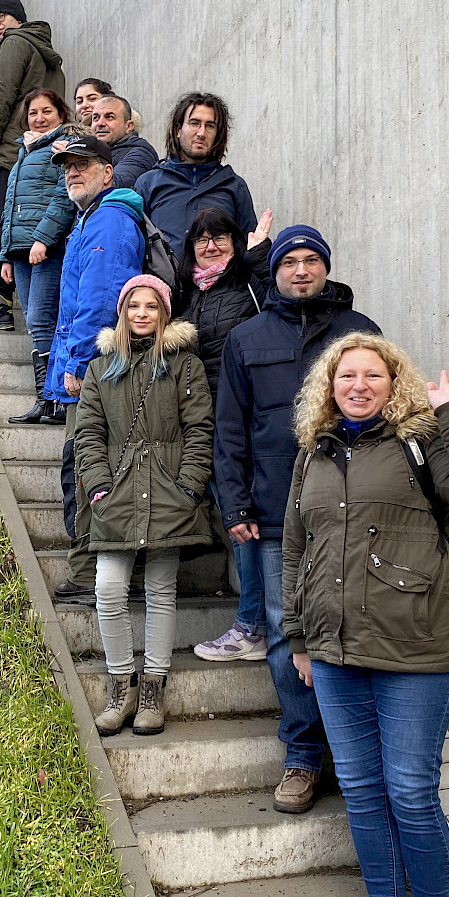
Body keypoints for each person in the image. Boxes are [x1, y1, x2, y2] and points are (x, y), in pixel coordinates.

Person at [284, 336, 449, 897]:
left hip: (419, 650)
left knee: (410, 791)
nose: (357, 384)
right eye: (345, 375)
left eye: (371, 374)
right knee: (359, 789)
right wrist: (299, 637)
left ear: (393, 382)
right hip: (335, 654)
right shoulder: (313, 454)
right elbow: (298, 548)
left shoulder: (423, 438)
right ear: (328, 386)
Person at [215, 226, 380, 813]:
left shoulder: (358, 334)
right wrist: (233, 502)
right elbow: (229, 429)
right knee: (288, 635)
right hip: (273, 513)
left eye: (313, 261)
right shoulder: (245, 338)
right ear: (275, 270)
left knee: (356, 626)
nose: (302, 270)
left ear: (326, 269)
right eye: (291, 261)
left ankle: (355, 753)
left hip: (351, 513)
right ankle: (303, 756)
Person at [75, 276, 214, 736]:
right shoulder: (101, 368)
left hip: (169, 494)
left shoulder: (185, 366)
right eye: (133, 305)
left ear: (163, 314)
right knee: (109, 587)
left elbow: (199, 431)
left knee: (160, 590)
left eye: (150, 306)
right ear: (121, 312)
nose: (140, 313)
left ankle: (153, 688)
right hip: (116, 494)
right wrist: (98, 487)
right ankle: (122, 686)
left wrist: (190, 488)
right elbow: (89, 434)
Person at [43, 136, 148, 604]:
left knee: (87, 469)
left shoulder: (107, 218)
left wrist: (80, 362)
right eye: (67, 167)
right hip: (93, 364)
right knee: (84, 467)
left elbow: (103, 298)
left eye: (82, 165)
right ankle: (94, 570)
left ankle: (92, 573)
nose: (72, 172)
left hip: (96, 368)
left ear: (108, 172)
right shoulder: (92, 218)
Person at [170, 207, 274, 664]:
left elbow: (280, 308)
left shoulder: (248, 282)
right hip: (206, 424)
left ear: (235, 242)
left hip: (248, 423)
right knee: (235, 521)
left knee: (246, 522)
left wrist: (258, 257)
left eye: (220, 237)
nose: (210, 246)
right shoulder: (187, 293)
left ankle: (254, 624)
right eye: (201, 239)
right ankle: (257, 621)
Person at [0, 0, 66, 332]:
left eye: (1, 16)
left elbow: (0, 95)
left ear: (17, 18)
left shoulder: (14, 43)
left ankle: (1, 304)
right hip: (41, 152)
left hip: (12, 150)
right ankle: (13, 299)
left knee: (3, 225)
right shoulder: (48, 54)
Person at [0, 89, 77, 422]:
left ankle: (50, 399)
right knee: (34, 321)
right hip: (20, 249)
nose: (39, 118)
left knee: (42, 320)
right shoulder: (25, 151)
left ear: (61, 115)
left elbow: (64, 196)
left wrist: (43, 239)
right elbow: (10, 207)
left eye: (47, 111)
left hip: (45, 247)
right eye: (33, 113)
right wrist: (4, 254)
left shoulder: (61, 147)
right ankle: (46, 399)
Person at [135, 92, 257, 255]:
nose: (201, 133)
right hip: (163, 280)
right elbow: (133, 246)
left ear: (218, 135)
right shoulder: (148, 183)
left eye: (210, 126)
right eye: (194, 123)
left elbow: (249, 250)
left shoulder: (234, 186)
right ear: (178, 130)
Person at [88, 94, 159, 188]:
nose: (100, 123)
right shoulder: (92, 152)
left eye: (109, 117)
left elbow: (112, 185)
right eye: (95, 118)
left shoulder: (141, 153)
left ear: (129, 126)